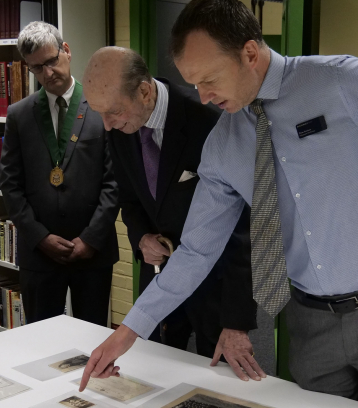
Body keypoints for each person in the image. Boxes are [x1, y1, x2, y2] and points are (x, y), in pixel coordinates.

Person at [81, 0, 358, 408]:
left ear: (250, 53)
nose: (204, 96)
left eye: (210, 79)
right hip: (309, 322)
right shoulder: (223, 144)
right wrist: (127, 331)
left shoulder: (336, 81)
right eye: (193, 83)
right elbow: (197, 251)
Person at [83, 47, 260, 376]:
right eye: (99, 114)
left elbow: (244, 225)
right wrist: (141, 238)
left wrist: (236, 322)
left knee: (219, 383)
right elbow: (129, 197)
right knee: (155, 377)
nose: (106, 126)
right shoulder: (120, 126)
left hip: (218, 285)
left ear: (145, 91)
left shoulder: (209, 120)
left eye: (113, 112)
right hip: (160, 277)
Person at [1, 22, 118, 326]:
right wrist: (40, 238)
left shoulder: (102, 107)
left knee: (91, 339)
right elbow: (10, 186)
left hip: (93, 251)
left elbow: (115, 182)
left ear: (66, 51)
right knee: (41, 343)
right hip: (40, 253)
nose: (47, 73)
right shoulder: (19, 115)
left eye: (51, 61)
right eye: (37, 68)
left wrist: (90, 239)